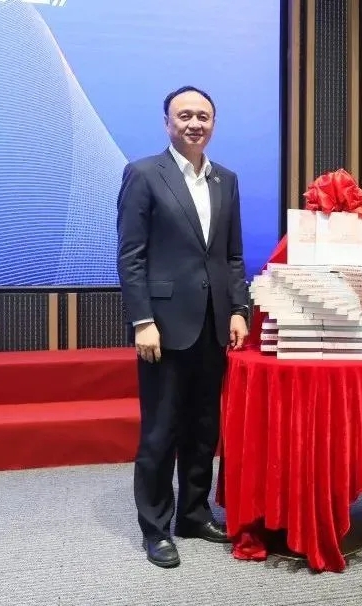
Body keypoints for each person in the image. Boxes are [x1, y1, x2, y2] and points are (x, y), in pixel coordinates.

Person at [116, 85, 251, 568]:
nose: (195, 123)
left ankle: (194, 514)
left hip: (214, 325)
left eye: (203, 116)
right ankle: (155, 528)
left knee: (202, 428)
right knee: (160, 432)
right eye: (185, 115)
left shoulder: (226, 179)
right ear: (168, 122)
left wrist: (239, 309)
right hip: (164, 328)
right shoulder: (143, 174)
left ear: (213, 123)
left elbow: (232, 256)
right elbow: (131, 256)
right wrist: (143, 320)